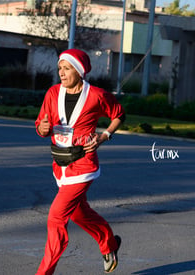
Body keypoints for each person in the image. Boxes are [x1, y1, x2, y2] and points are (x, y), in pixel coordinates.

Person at [35, 48, 125, 275]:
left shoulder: (96, 95)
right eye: (59, 69)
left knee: (56, 217)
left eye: (66, 68)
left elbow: (118, 114)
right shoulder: (53, 93)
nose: (61, 73)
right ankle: (109, 244)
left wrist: (104, 136)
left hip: (83, 165)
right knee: (77, 212)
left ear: (79, 70)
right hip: (60, 165)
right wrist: (42, 128)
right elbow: (40, 125)